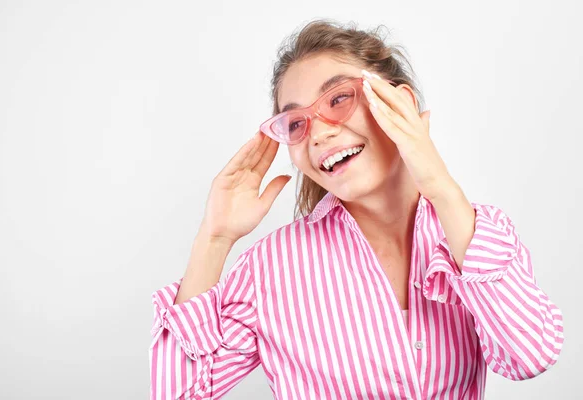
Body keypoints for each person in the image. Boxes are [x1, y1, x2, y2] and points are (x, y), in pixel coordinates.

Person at [149, 20, 564, 399]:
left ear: (398, 102)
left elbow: (530, 356)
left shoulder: (475, 234)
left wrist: (439, 185)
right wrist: (215, 238)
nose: (319, 132)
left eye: (339, 98)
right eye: (296, 123)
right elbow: (179, 393)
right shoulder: (271, 268)